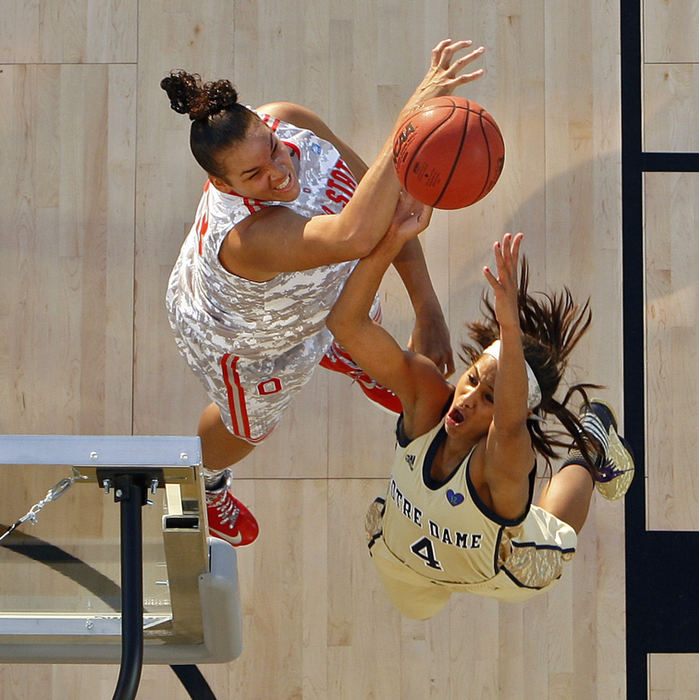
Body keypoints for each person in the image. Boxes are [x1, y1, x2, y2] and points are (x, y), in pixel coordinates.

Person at [162, 39, 485, 547]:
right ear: (222, 186)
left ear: (267, 125)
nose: (278, 171)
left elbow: (384, 199)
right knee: (247, 427)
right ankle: (203, 483)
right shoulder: (250, 238)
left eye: (270, 147)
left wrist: (428, 311)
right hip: (246, 338)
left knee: (350, 316)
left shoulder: (290, 121)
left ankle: (353, 357)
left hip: (319, 296)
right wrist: (412, 119)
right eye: (253, 175)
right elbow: (359, 234)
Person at [326, 226, 634, 620]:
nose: (468, 397)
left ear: (517, 408)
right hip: (403, 559)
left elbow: (507, 425)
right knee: (417, 613)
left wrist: (510, 328)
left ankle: (590, 450)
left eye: (489, 397)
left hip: (500, 572)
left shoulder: (501, 461)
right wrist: (387, 240)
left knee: (555, 535)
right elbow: (346, 325)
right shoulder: (427, 403)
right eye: (471, 380)